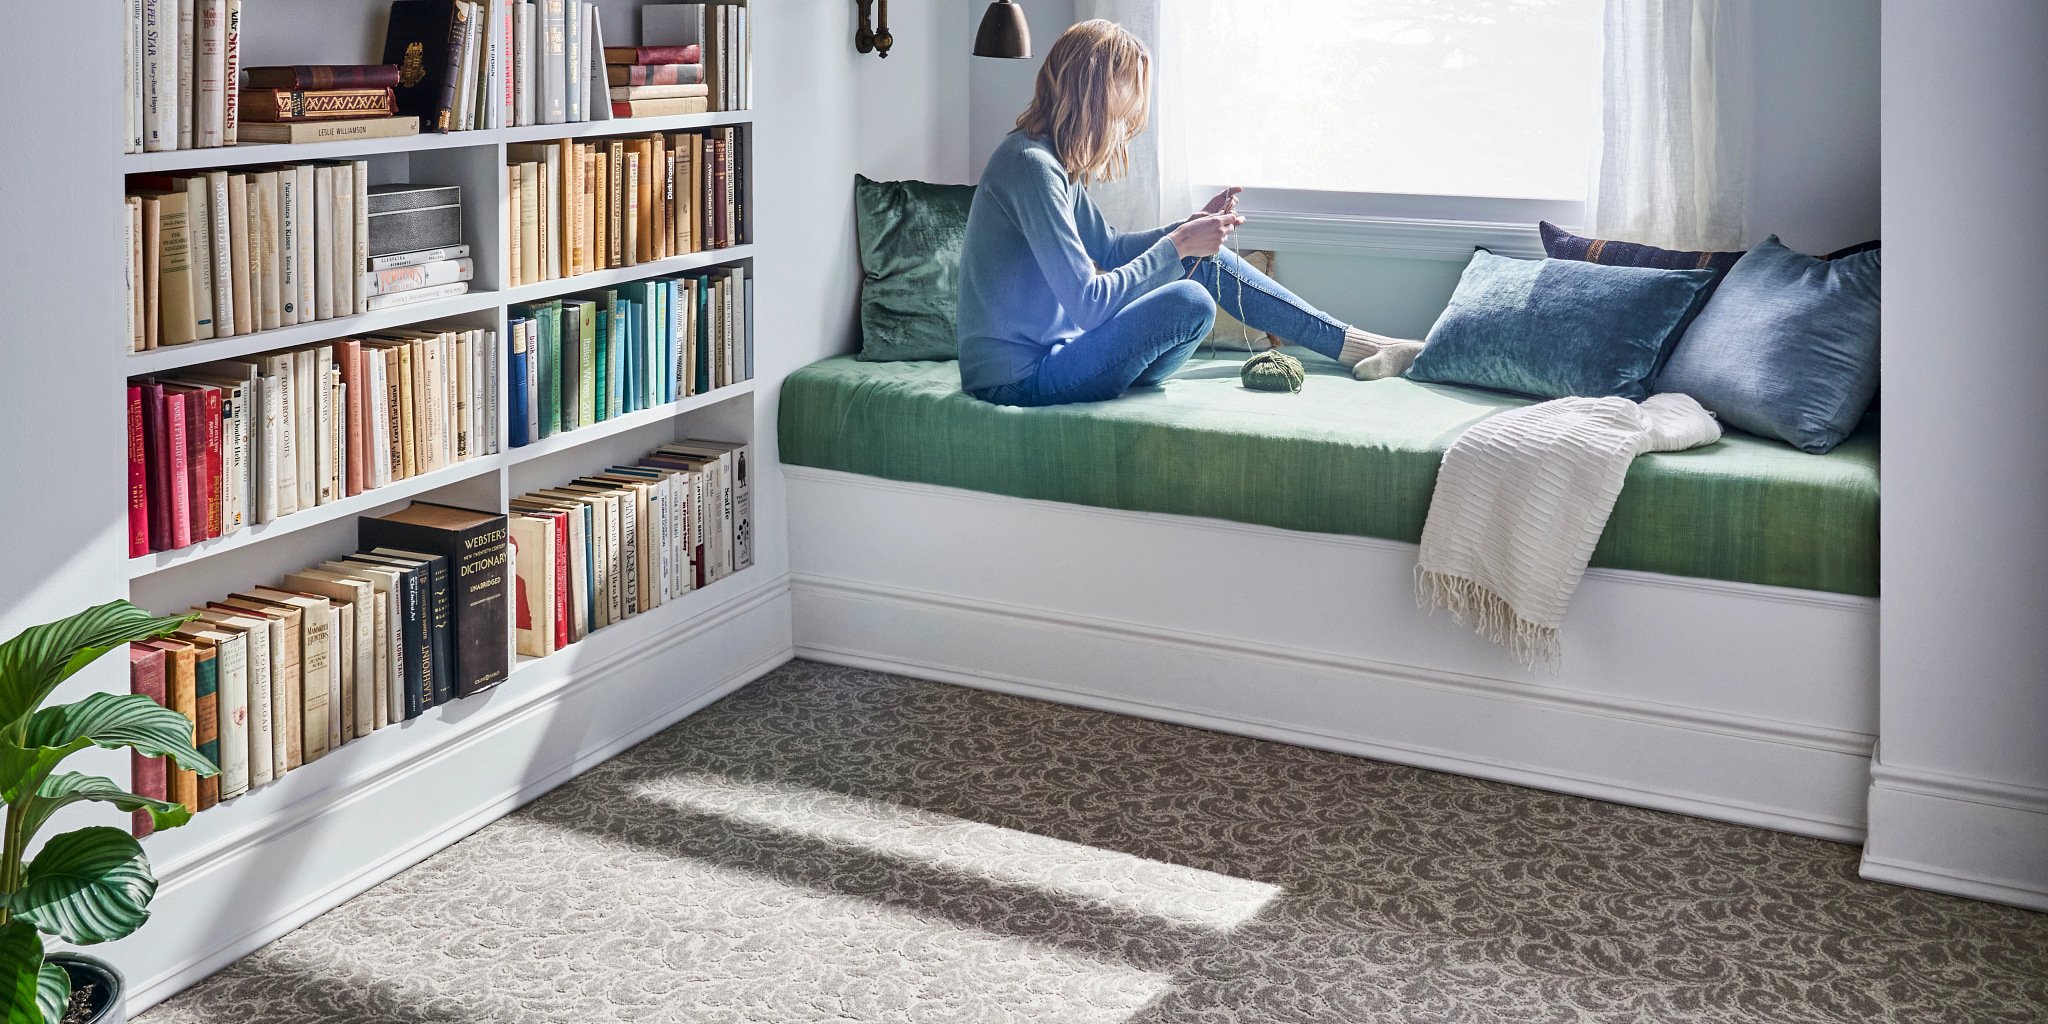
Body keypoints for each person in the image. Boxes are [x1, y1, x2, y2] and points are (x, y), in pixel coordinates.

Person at [956, 19, 1423, 407]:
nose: (1122, 131)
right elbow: (1090, 304)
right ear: (1091, 99)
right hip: (1016, 380)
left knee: (1205, 261)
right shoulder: (1030, 167)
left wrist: (1190, 230)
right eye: (1120, 115)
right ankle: (1360, 345)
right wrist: (1179, 247)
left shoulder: (1054, 163)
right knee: (1191, 300)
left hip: (1061, 356)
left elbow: (1113, 248)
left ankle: (1359, 345)